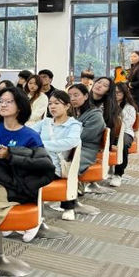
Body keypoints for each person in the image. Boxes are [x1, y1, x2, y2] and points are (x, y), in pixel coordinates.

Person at [0, 86, 48, 277]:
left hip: (11, 186)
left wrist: (10, 155)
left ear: (20, 106)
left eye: (9, 101)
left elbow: (41, 166)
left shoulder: (30, 136)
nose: (3, 105)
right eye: (0, 101)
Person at [28, 91, 83, 239]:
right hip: (38, 161)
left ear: (67, 106)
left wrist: (42, 145)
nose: (52, 107)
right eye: (50, 103)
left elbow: (72, 142)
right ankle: (24, 216)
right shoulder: (45, 122)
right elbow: (29, 134)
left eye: (57, 103)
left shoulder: (73, 125)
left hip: (55, 166)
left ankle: (35, 218)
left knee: (26, 177)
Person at [59, 84, 105, 219]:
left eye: (76, 95)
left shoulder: (95, 115)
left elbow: (84, 135)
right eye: (70, 95)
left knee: (69, 168)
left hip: (85, 149)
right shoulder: (72, 112)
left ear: (85, 96)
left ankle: (69, 206)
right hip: (69, 147)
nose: (72, 98)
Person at [111, 82, 138, 187]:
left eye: (119, 93)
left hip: (125, 132)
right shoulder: (107, 104)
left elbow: (127, 124)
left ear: (124, 93)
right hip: (109, 131)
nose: (116, 95)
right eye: (114, 92)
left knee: (123, 142)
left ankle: (118, 174)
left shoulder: (129, 107)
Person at [90, 76, 122, 145]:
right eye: (98, 82)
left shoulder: (108, 108)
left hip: (96, 140)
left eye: (105, 85)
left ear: (108, 91)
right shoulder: (84, 101)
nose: (99, 86)